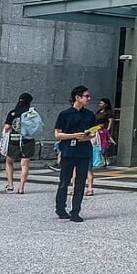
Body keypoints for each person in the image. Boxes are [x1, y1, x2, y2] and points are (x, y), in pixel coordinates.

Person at [53, 86, 97, 222]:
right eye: (86, 96)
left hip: (84, 151)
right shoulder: (64, 114)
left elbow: (93, 132)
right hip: (68, 151)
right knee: (64, 182)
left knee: (80, 183)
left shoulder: (89, 115)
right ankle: (60, 209)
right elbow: (57, 135)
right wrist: (73, 135)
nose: (89, 98)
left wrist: (87, 136)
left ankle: (75, 212)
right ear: (77, 97)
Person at [3, 93, 37, 194]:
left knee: (9, 162)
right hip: (28, 140)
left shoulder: (13, 113)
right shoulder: (31, 113)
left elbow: (7, 127)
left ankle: (10, 185)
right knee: (25, 165)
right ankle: (21, 188)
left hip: (14, 140)